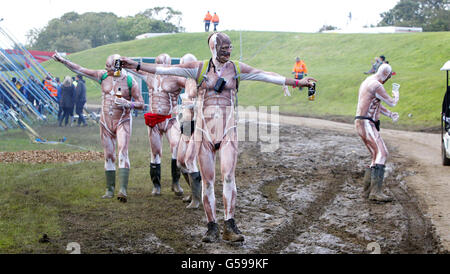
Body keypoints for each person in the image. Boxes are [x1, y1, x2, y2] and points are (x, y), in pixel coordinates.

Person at [120, 32, 317, 243]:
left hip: (227, 130)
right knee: (208, 181)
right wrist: (136, 66)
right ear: (214, 48)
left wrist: (298, 82)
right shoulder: (199, 68)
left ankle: (229, 224)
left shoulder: (236, 68)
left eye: (229, 48)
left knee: (229, 177)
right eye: (224, 48)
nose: (228, 52)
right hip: (204, 132)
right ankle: (211, 226)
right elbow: (163, 70)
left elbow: (265, 75)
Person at [53, 52, 144, 203]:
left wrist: (129, 104)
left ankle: (123, 189)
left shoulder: (129, 81)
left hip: (123, 120)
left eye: (109, 67)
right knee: (109, 155)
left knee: (122, 152)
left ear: (118, 67)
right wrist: (63, 61)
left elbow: (141, 104)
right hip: (105, 121)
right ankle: (109, 189)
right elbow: (80, 69)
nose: (106, 68)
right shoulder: (102, 76)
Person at [129, 53, 189, 197]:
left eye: (165, 64)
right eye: (159, 64)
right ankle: (156, 185)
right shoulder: (149, 76)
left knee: (175, 146)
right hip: (154, 120)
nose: (162, 67)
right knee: (155, 152)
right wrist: (123, 62)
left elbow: (192, 86)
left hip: (170, 119)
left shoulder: (176, 78)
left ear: (170, 64)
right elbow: (133, 68)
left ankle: (176, 183)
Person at [355, 63, 399, 203]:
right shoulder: (376, 85)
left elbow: (375, 104)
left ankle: (367, 191)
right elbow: (391, 102)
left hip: (362, 122)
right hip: (367, 122)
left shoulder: (367, 82)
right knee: (382, 153)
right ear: (386, 75)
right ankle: (375, 192)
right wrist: (396, 95)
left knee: (375, 154)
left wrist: (390, 114)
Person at [176, 53, 202, 209]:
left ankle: (197, 199)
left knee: (190, 159)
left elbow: (208, 101)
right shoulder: (186, 80)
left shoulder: (201, 79)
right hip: (186, 123)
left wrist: (194, 105)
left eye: (184, 66)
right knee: (180, 161)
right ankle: (193, 192)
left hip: (198, 124)